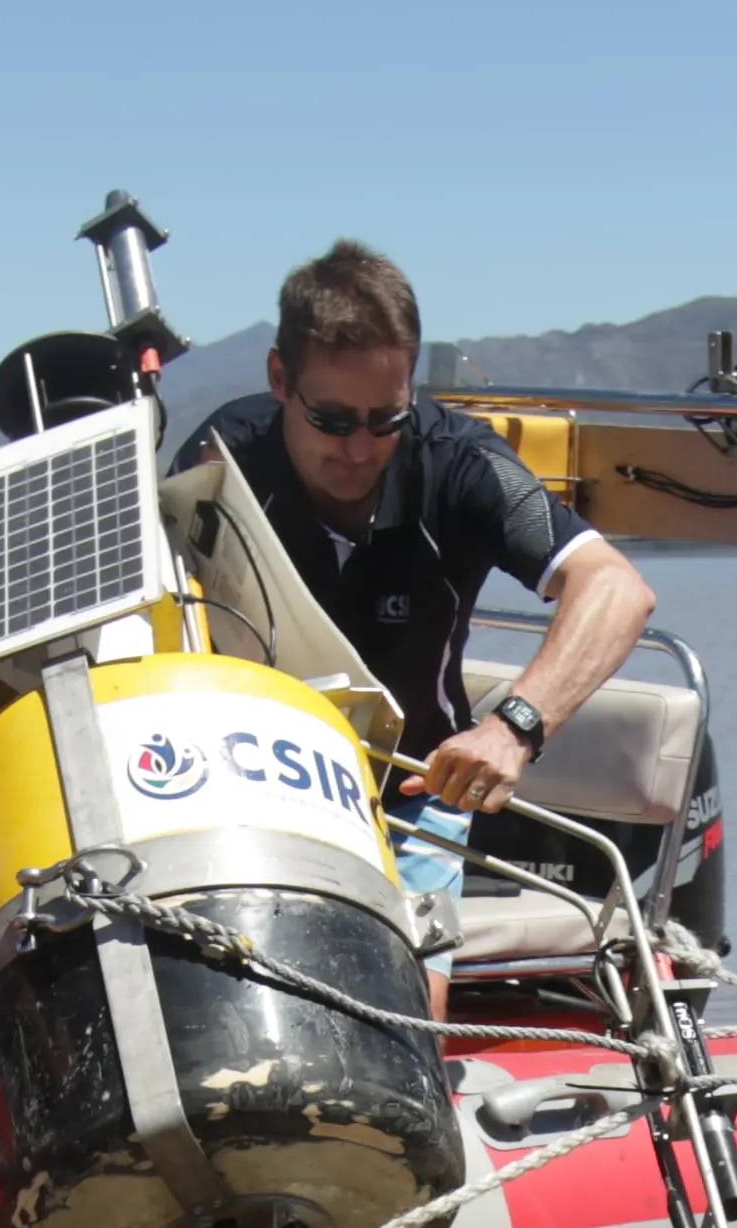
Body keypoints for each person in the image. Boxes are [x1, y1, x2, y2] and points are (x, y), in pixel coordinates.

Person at [179, 240, 657, 950]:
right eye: (333, 421)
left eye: (387, 419)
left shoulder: (463, 463)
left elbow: (617, 588)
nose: (362, 448)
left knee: (407, 1020)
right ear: (281, 378)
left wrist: (513, 728)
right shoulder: (220, 456)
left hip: (413, 794)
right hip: (254, 790)